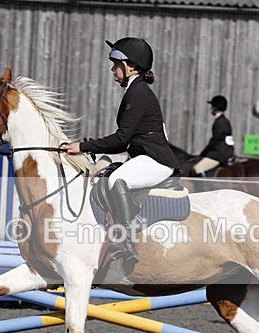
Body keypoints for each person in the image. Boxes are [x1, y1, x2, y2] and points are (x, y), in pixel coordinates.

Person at [65, 37, 179, 266]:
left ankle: (127, 241)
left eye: (117, 64)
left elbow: (121, 138)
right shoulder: (133, 90)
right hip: (143, 155)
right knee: (106, 172)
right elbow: (122, 143)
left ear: (132, 67)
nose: (113, 69)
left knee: (118, 179)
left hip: (156, 159)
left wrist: (83, 146)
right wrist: (87, 148)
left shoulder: (138, 93)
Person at [192, 95, 234, 176]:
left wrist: (204, 152)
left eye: (212, 106)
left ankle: (204, 189)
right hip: (225, 151)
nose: (210, 108)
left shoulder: (220, 122)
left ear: (215, 108)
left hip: (220, 153)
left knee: (197, 168)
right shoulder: (223, 120)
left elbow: (215, 139)